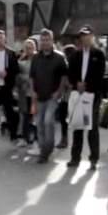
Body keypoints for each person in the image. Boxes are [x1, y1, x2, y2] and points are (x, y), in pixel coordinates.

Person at [29, 29, 68, 164]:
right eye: (43, 40)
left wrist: (59, 91)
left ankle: (47, 149)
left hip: (52, 96)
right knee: (39, 124)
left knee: (48, 121)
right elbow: (32, 76)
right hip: (39, 96)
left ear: (52, 41)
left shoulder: (59, 57)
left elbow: (64, 76)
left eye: (47, 40)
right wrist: (32, 91)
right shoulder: (35, 58)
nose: (45, 42)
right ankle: (43, 150)